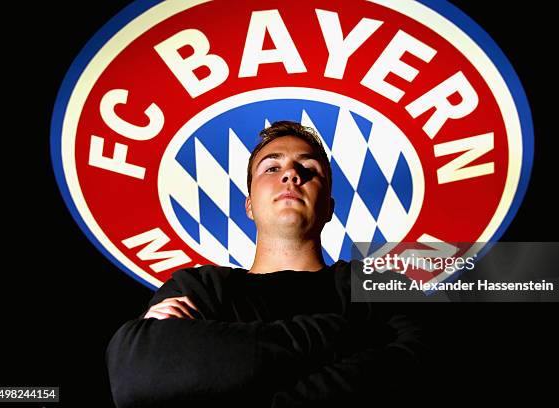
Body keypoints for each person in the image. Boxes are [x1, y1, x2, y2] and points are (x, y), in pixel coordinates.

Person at [106, 121, 423, 407]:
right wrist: (359, 335)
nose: (291, 174)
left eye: (308, 168)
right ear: (249, 206)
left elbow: (424, 369)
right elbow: (138, 375)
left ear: (329, 206)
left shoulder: (375, 282)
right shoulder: (200, 286)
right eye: (272, 168)